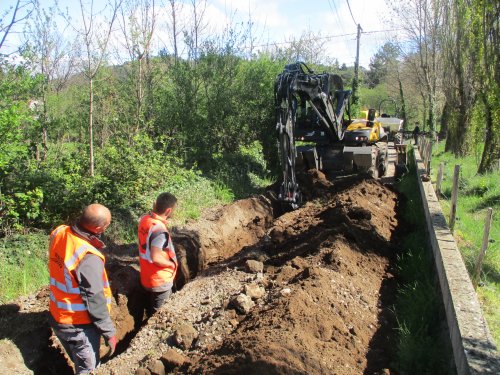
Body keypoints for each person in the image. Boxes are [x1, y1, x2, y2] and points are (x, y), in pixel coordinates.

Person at [48, 203, 117, 375]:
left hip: (57, 314)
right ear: (99, 228)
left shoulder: (59, 232)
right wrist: (109, 332)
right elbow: (94, 297)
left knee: (76, 357)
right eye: (107, 224)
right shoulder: (88, 256)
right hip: (79, 324)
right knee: (88, 369)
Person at [138, 192, 178, 316]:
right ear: (169, 210)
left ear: (155, 204)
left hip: (146, 275)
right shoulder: (159, 230)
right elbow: (155, 257)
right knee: (158, 315)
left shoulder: (145, 220)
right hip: (160, 279)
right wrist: (171, 265)